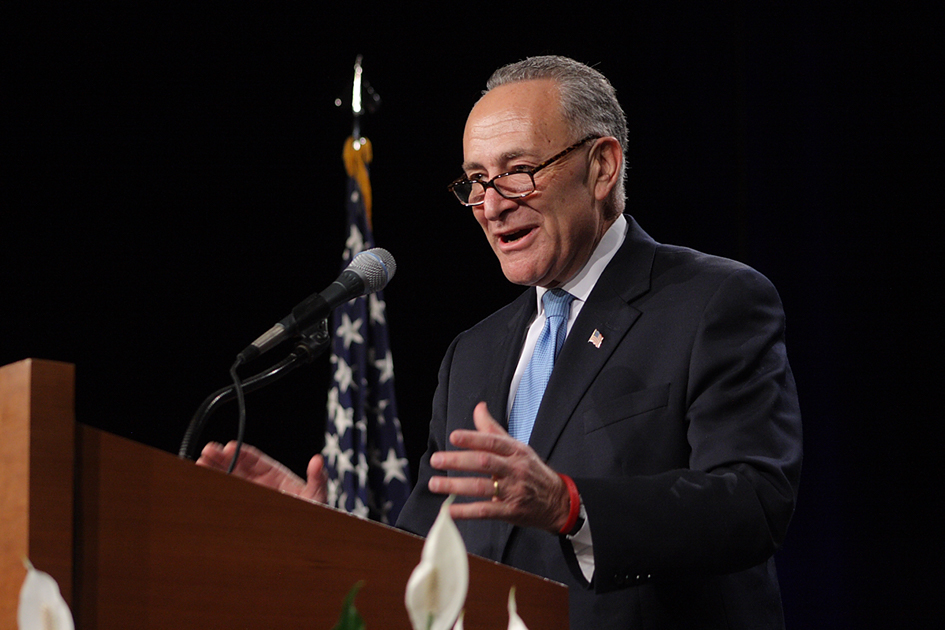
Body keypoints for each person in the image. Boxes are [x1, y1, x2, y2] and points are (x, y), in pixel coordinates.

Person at [199, 55, 802, 630]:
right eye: (476, 181)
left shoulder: (712, 302)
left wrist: (570, 505)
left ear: (602, 167)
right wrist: (324, 531)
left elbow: (751, 502)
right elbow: (430, 551)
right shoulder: (474, 354)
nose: (490, 205)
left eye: (518, 171)